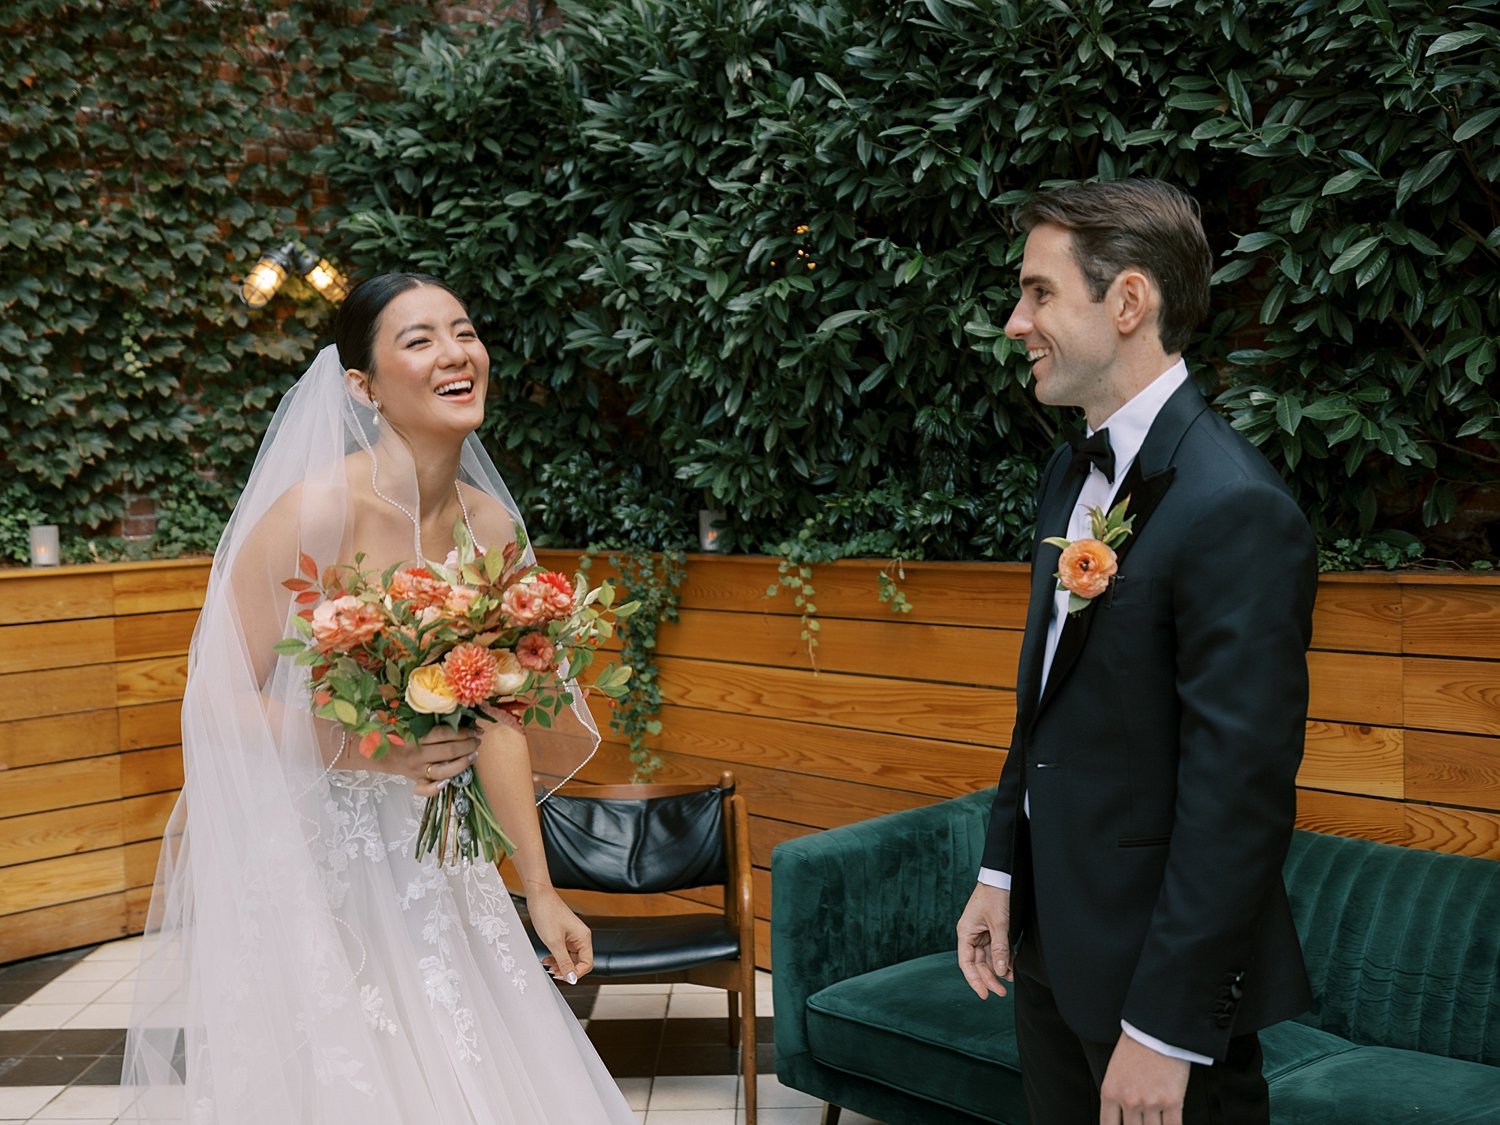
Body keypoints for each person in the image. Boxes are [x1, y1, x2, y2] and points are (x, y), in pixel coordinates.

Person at [122, 274, 636, 1123]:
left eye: (463, 330)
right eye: (419, 339)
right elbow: (213, 699)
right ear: (361, 385)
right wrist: (379, 749)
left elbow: (496, 716)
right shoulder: (319, 508)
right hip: (331, 866)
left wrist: (539, 888)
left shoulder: (490, 529)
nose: (455, 352)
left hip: (446, 861)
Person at [955, 180, 1316, 1125]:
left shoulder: (1235, 505)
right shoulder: (1066, 470)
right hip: (1048, 956)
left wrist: (1165, 1029)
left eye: (1038, 293)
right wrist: (1001, 874)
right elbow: (1044, 704)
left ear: (1127, 303)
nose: (1014, 321)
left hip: (1153, 995)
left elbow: (1239, 796)